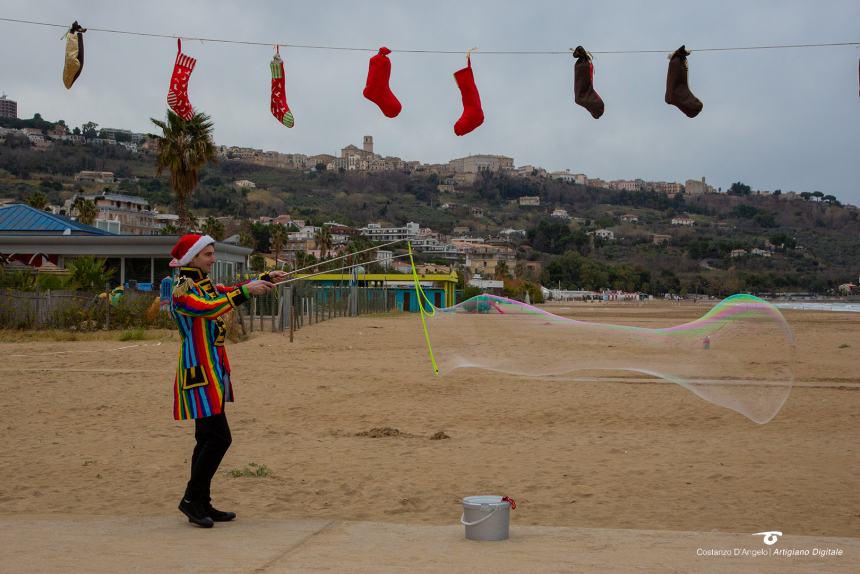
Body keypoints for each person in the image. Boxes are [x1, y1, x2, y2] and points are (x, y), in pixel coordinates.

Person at [167, 233, 286, 528]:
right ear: (192, 258)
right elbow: (210, 308)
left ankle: (202, 501)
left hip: (213, 370)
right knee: (220, 438)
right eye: (207, 254)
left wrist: (264, 278)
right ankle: (191, 498)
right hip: (199, 371)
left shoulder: (204, 285)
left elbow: (225, 292)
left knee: (206, 438)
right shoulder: (183, 288)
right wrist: (245, 292)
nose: (213, 258)